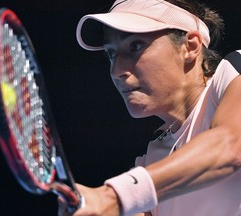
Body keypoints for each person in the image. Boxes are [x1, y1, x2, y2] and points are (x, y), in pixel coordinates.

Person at [59, 0, 241, 215]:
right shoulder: (153, 160)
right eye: (111, 53)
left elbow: (232, 145)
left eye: (135, 46)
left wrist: (113, 197)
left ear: (190, 47)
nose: (116, 70)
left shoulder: (235, 69)